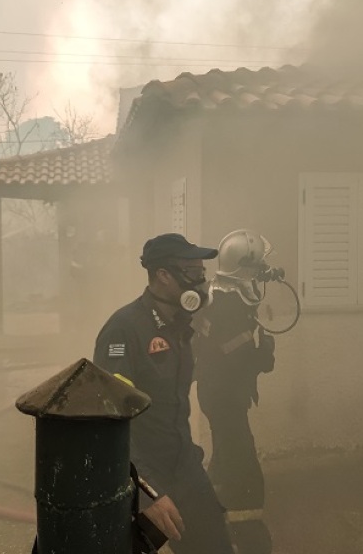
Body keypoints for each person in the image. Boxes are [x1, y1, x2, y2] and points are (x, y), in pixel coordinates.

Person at [93, 233, 234, 554]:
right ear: (163, 276)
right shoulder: (124, 329)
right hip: (142, 474)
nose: (201, 283)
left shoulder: (182, 326)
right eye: (193, 274)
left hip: (184, 465)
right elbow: (110, 419)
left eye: (203, 274)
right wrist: (144, 494)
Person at [193, 230, 278, 554]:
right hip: (224, 395)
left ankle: (206, 511)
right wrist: (264, 355)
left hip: (218, 394)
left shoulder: (224, 294)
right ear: (244, 268)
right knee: (243, 470)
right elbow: (235, 356)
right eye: (258, 267)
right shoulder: (228, 304)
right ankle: (246, 537)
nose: (262, 273)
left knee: (226, 455)